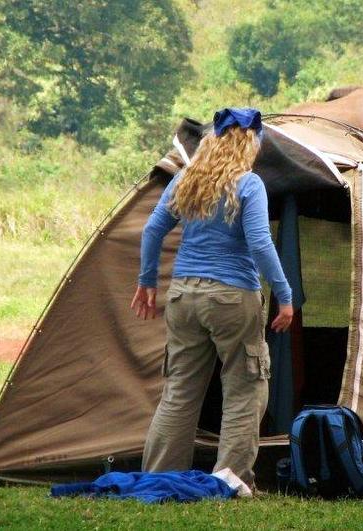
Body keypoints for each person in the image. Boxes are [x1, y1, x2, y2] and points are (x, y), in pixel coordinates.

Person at [130, 107, 293, 489]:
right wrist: (284, 295)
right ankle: (230, 481)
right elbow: (260, 244)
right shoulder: (248, 184)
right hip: (232, 297)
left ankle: (158, 479)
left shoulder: (187, 178)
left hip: (183, 295)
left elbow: (153, 229)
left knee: (180, 390)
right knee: (244, 390)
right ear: (251, 143)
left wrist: (147, 281)